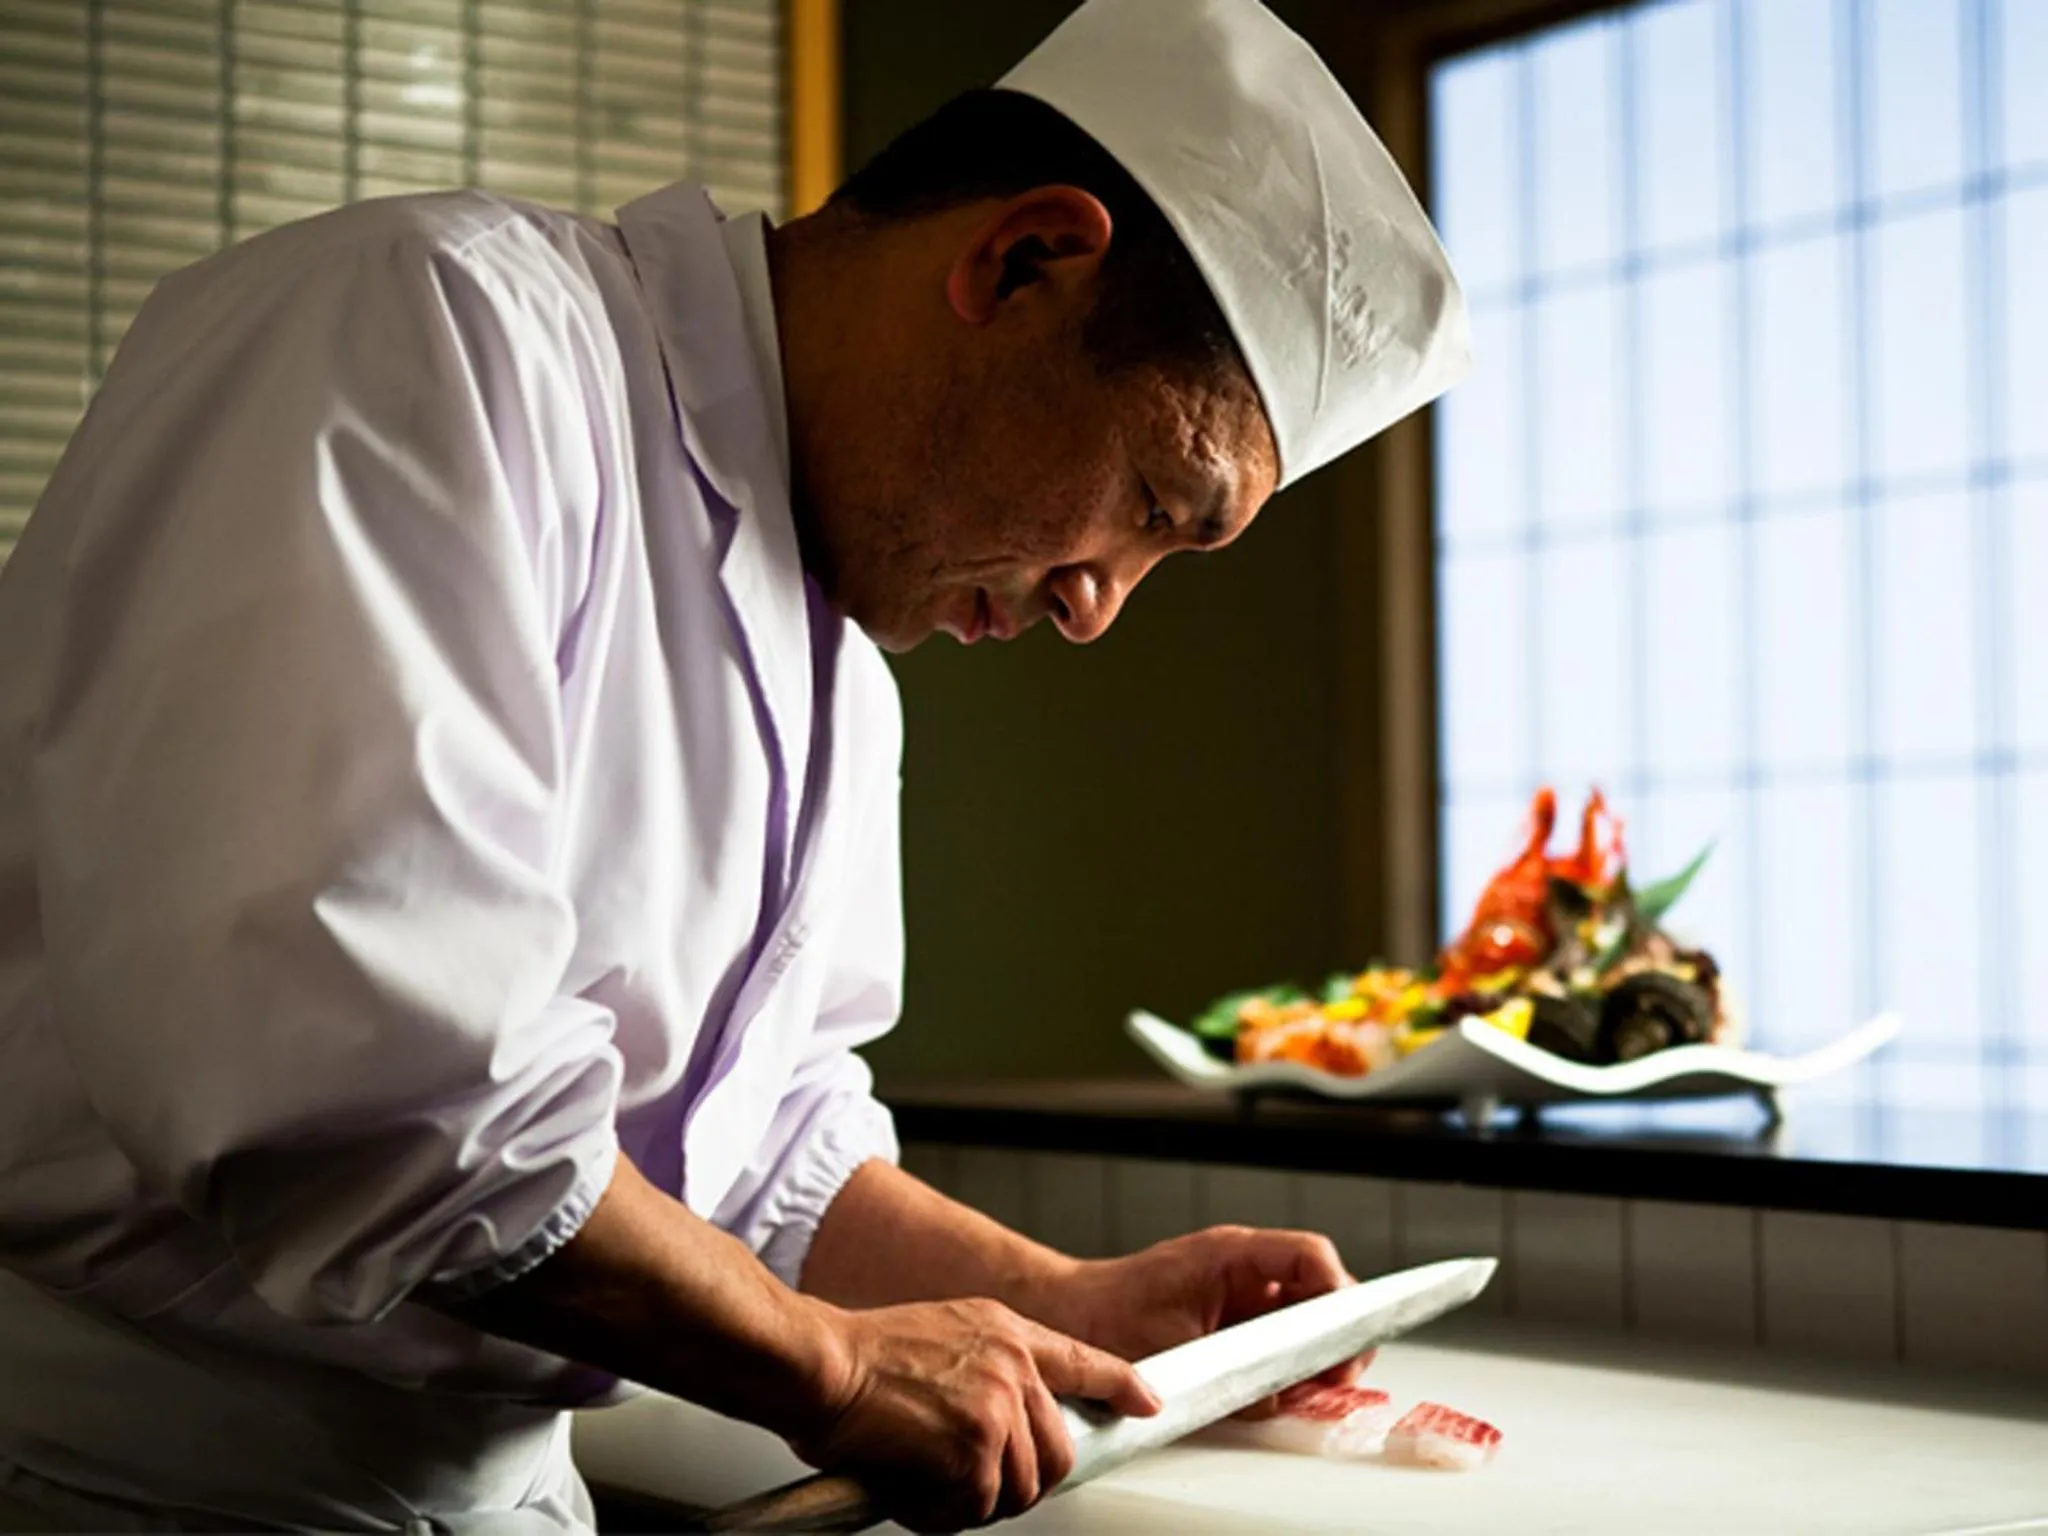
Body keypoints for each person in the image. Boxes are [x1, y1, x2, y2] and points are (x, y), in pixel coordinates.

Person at [0, 0, 1467, 1529]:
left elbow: (755, 1154)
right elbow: (364, 1082)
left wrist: (1069, 1302)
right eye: (1157, 502)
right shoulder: (437, 332)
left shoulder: (842, 647)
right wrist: (831, 1369)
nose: (1099, 606)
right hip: (126, 1483)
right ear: (1024, 259)